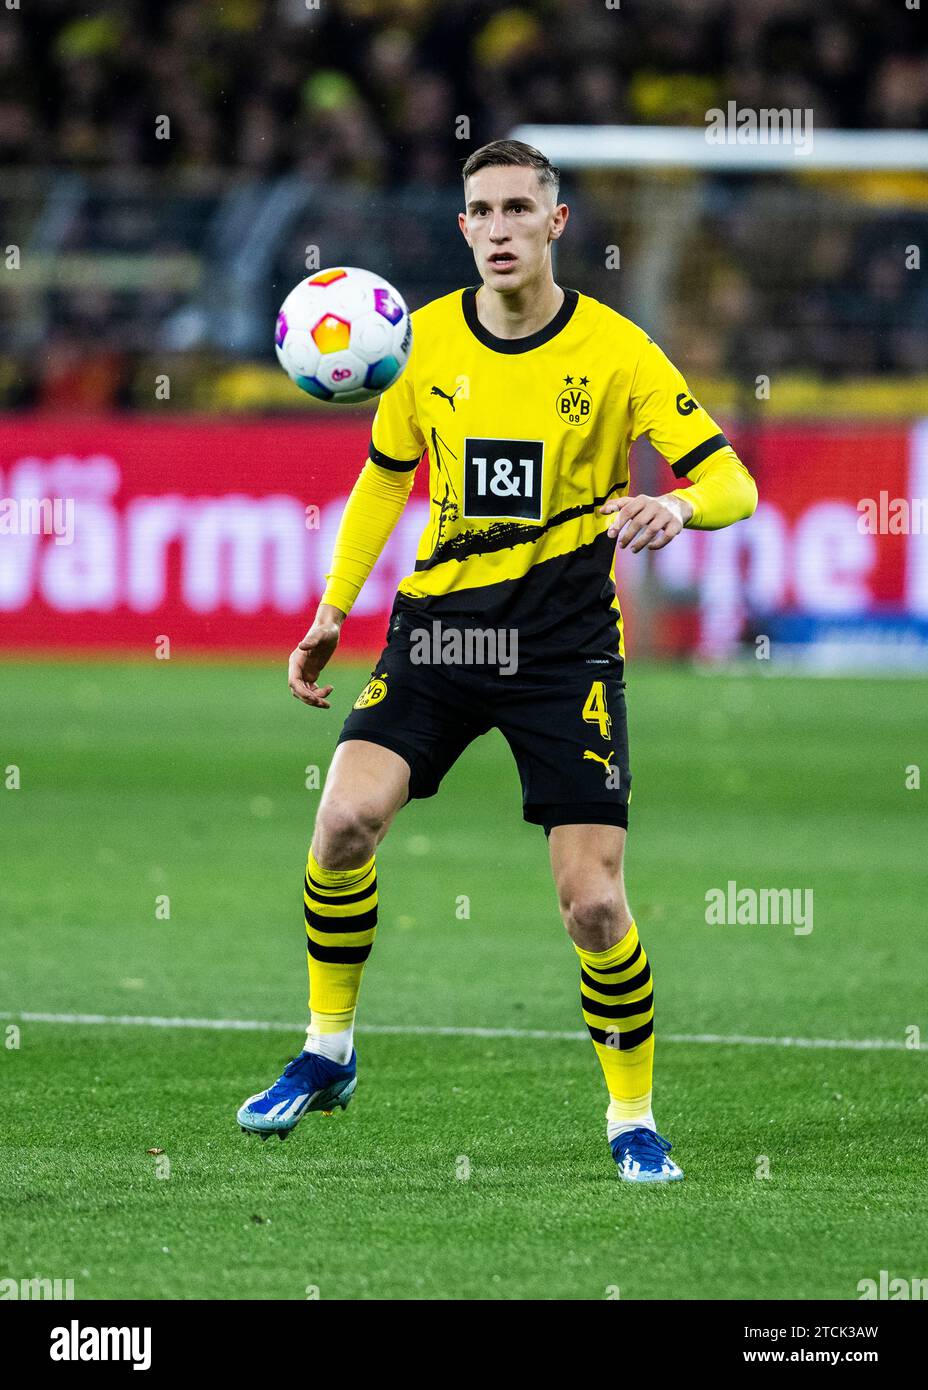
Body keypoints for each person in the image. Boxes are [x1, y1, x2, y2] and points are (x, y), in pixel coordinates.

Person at [237, 140, 758, 1182]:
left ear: (555, 224)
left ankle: (630, 1120)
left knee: (593, 903)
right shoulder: (415, 342)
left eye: (523, 207)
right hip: (437, 632)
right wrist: (333, 607)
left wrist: (675, 502)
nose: (504, 226)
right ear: (464, 228)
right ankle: (327, 1051)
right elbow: (385, 478)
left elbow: (732, 482)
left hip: (562, 648)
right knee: (340, 822)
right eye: (485, 210)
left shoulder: (617, 353)